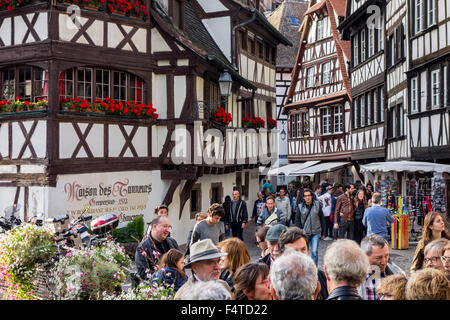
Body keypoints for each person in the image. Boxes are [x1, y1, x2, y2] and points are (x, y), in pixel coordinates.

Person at [278, 227, 328, 300]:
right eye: (294, 251)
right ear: (282, 255)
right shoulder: (278, 282)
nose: (301, 255)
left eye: (303, 249)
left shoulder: (321, 277)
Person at [358, 234, 406, 300]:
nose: (384, 262)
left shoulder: (399, 274)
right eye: (378, 258)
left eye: (386, 256)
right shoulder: (350, 278)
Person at [135, 216, 179, 280]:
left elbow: (180, 263)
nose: (167, 230)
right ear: (154, 227)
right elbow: (143, 274)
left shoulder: (172, 242)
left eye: (169, 227)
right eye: (165, 226)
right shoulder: (142, 248)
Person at [294, 188, 326, 266]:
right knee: (304, 252)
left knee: (314, 252)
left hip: (316, 232)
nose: (307, 197)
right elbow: (297, 221)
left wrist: (324, 232)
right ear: (303, 197)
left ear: (312, 196)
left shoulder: (317, 205)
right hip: (305, 233)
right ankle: (305, 268)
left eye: (309, 195)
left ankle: (315, 270)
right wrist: (299, 233)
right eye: (305, 196)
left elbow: (322, 219)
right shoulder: (300, 206)